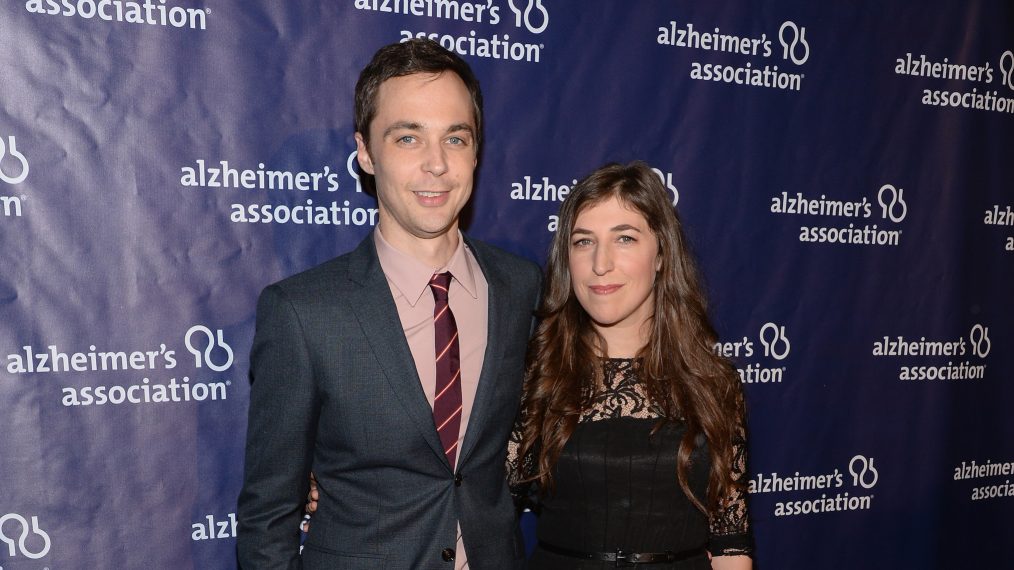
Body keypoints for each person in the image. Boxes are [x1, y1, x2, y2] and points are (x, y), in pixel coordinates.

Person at [237, 39, 541, 569]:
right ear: (366, 153)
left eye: (456, 137)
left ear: (476, 151)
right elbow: (268, 518)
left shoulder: (522, 288)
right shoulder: (301, 313)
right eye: (408, 138)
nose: (436, 165)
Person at [509, 161, 753, 569]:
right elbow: (487, 512)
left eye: (624, 238)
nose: (601, 263)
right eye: (583, 242)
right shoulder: (536, 374)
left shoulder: (712, 382)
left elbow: (731, 543)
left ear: (661, 254)